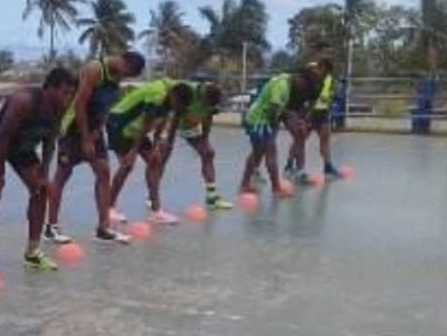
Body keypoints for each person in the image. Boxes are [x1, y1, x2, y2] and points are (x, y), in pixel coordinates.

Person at [0, 68, 77, 270]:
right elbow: (3, 138)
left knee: (41, 190)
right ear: (50, 89)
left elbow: (50, 140)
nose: (68, 98)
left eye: (72, 94)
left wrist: (44, 171)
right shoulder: (24, 101)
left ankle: (32, 251)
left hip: (22, 147)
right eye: (65, 92)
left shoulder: (61, 107)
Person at [43, 51, 146, 245]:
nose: (124, 77)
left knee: (104, 173)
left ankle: (103, 228)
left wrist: (98, 130)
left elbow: (105, 108)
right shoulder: (94, 69)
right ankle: (51, 227)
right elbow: (80, 105)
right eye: (126, 72)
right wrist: (85, 139)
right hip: (73, 129)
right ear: (123, 60)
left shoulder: (116, 78)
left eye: (128, 76)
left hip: (94, 131)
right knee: (62, 175)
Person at [106, 79, 193, 224]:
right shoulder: (157, 93)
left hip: (136, 129)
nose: (176, 109)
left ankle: (156, 212)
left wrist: (155, 147)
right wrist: (133, 151)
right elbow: (147, 121)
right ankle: (108, 208)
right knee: (127, 165)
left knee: (156, 161)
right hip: (119, 123)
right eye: (178, 105)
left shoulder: (172, 98)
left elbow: (162, 122)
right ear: (174, 96)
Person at [238, 68, 319, 196]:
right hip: (260, 120)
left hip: (259, 119)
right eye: (305, 85)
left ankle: (244, 184)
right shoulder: (282, 85)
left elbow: (284, 109)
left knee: (257, 153)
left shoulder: (289, 83)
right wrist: (286, 120)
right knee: (270, 152)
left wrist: (296, 120)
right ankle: (276, 189)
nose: (304, 89)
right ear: (300, 78)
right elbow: (274, 108)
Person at [167, 81, 233, 210]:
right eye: (207, 104)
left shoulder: (212, 98)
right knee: (162, 157)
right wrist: (169, 140)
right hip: (175, 123)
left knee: (208, 153)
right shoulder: (189, 94)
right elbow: (176, 116)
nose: (208, 107)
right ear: (203, 96)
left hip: (193, 126)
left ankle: (211, 197)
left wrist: (205, 139)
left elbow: (208, 119)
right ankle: (151, 196)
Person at [286, 58, 342, 182]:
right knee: (300, 139)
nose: (325, 72)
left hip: (322, 113)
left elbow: (328, 95)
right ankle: (289, 165)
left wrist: (329, 101)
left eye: (327, 71)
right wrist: (306, 115)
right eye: (324, 69)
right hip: (309, 113)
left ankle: (328, 167)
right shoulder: (311, 75)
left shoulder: (329, 79)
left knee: (325, 139)